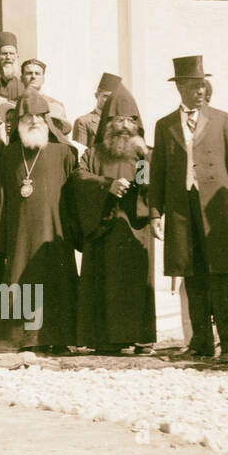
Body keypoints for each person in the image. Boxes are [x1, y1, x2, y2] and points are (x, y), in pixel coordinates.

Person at [148, 56, 228, 362]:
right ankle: (201, 343)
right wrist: (154, 213)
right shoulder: (164, 126)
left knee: (219, 277)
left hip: (215, 211)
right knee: (191, 276)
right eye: (193, 85)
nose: (200, 91)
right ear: (180, 88)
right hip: (180, 209)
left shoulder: (221, 119)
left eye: (202, 85)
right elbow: (158, 173)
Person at [0, 93, 78, 352]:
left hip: (55, 232)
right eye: (28, 116)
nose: (34, 121)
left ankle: (58, 339)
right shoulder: (10, 153)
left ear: (47, 120)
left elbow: (75, 195)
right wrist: (0, 237)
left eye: (39, 116)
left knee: (56, 281)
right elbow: (1, 198)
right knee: (20, 282)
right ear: (19, 122)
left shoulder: (64, 152)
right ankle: (23, 339)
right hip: (20, 234)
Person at [70, 85, 156, 354]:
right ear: (106, 123)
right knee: (103, 284)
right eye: (116, 120)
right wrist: (106, 185)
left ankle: (141, 338)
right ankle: (104, 339)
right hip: (102, 230)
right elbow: (79, 178)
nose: (122, 126)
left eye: (129, 120)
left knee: (136, 284)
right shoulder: (94, 154)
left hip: (134, 229)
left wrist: (139, 192)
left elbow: (148, 187)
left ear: (137, 123)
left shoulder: (143, 154)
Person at [18, 59, 69, 136]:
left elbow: (62, 136)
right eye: (29, 73)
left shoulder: (55, 106)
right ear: (21, 78)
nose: (33, 76)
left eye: (37, 73)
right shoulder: (15, 104)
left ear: (43, 79)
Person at [72, 72, 122, 147]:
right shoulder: (83, 122)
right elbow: (80, 152)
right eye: (105, 96)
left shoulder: (121, 122)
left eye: (112, 97)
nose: (109, 100)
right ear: (96, 95)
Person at [0, 31, 22, 100]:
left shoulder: (22, 83)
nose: (8, 57)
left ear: (17, 56)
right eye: (4, 54)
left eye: (11, 53)